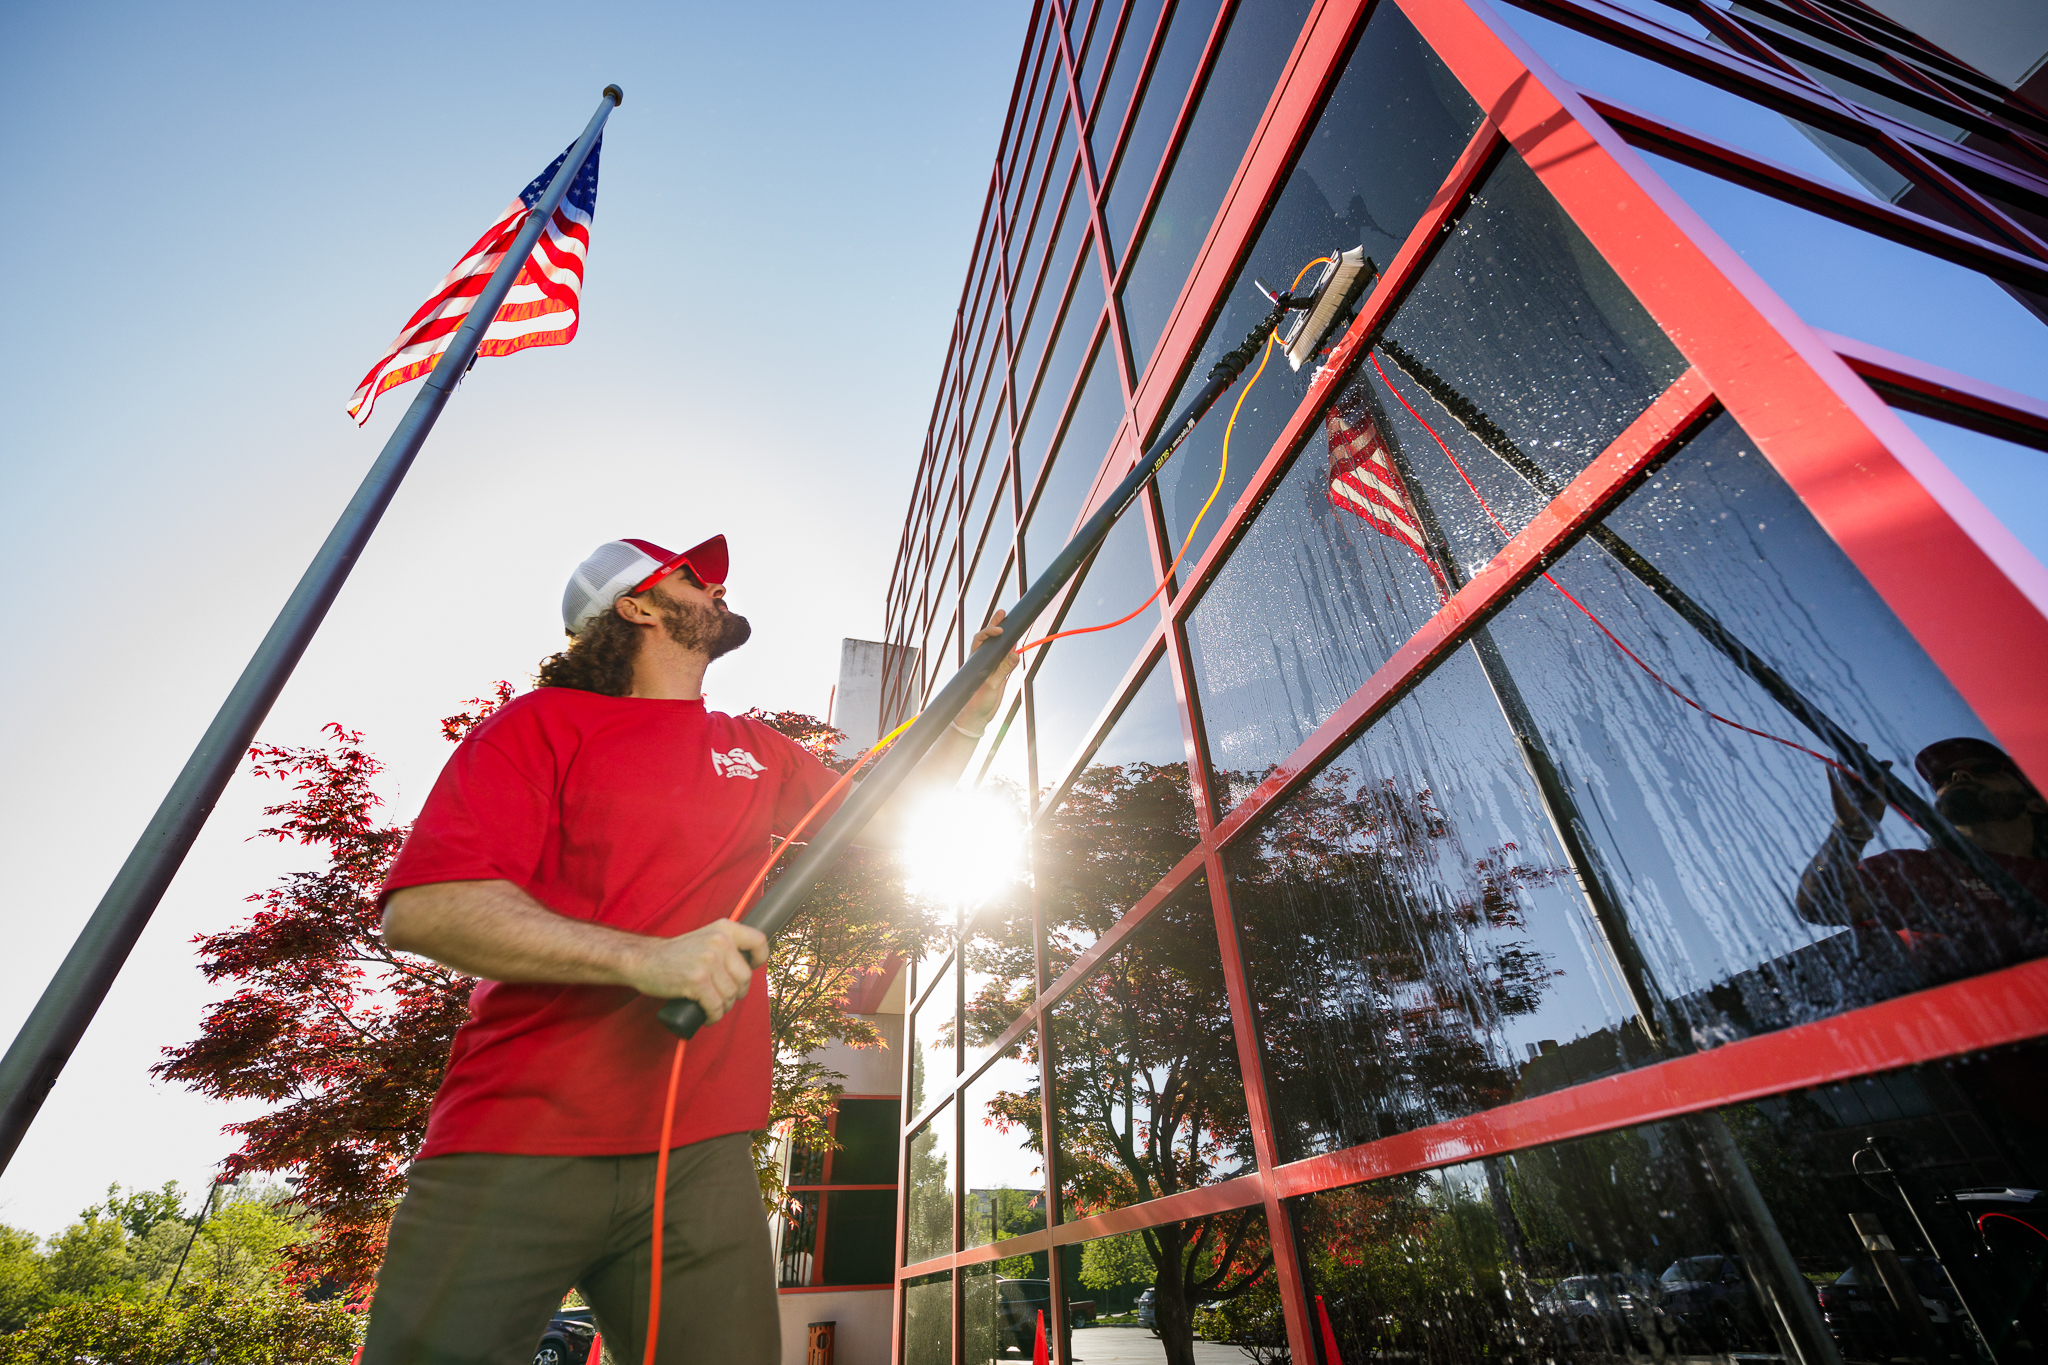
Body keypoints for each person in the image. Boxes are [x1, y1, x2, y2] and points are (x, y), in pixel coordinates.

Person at [358, 534, 1015, 1364]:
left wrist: (966, 716)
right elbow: (428, 907)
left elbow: (880, 818)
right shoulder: (536, 728)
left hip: (701, 1153)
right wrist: (642, 958)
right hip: (516, 1136)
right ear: (635, 606)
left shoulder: (754, 747)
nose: (717, 584)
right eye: (692, 576)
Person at [1795, 736, 2048, 976]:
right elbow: (1820, 905)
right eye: (1942, 778)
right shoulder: (1923, 870)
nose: (1957, 777)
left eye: (1984, 768)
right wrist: (1851, 832)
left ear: (2037, 801)